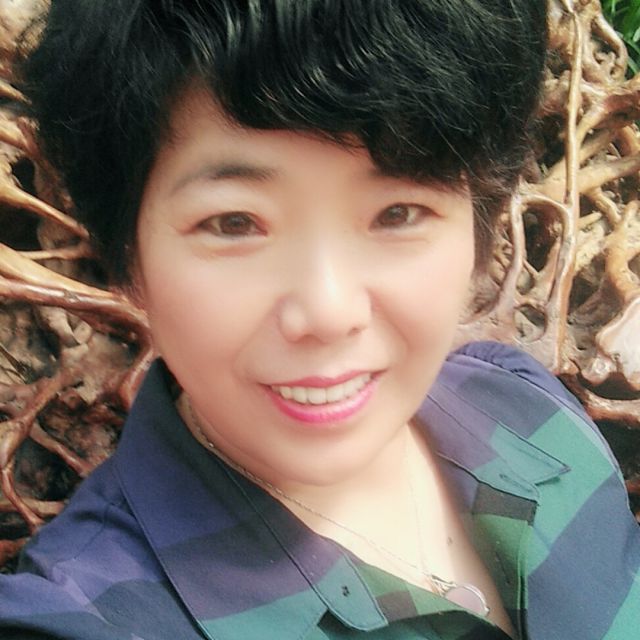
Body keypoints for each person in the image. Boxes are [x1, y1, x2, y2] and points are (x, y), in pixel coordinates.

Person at [1, 1, 639, 638]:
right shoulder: (88, 617)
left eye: (398, 213)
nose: (329, 313)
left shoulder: (529, 406)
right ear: (128, 257)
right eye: (234, 223)